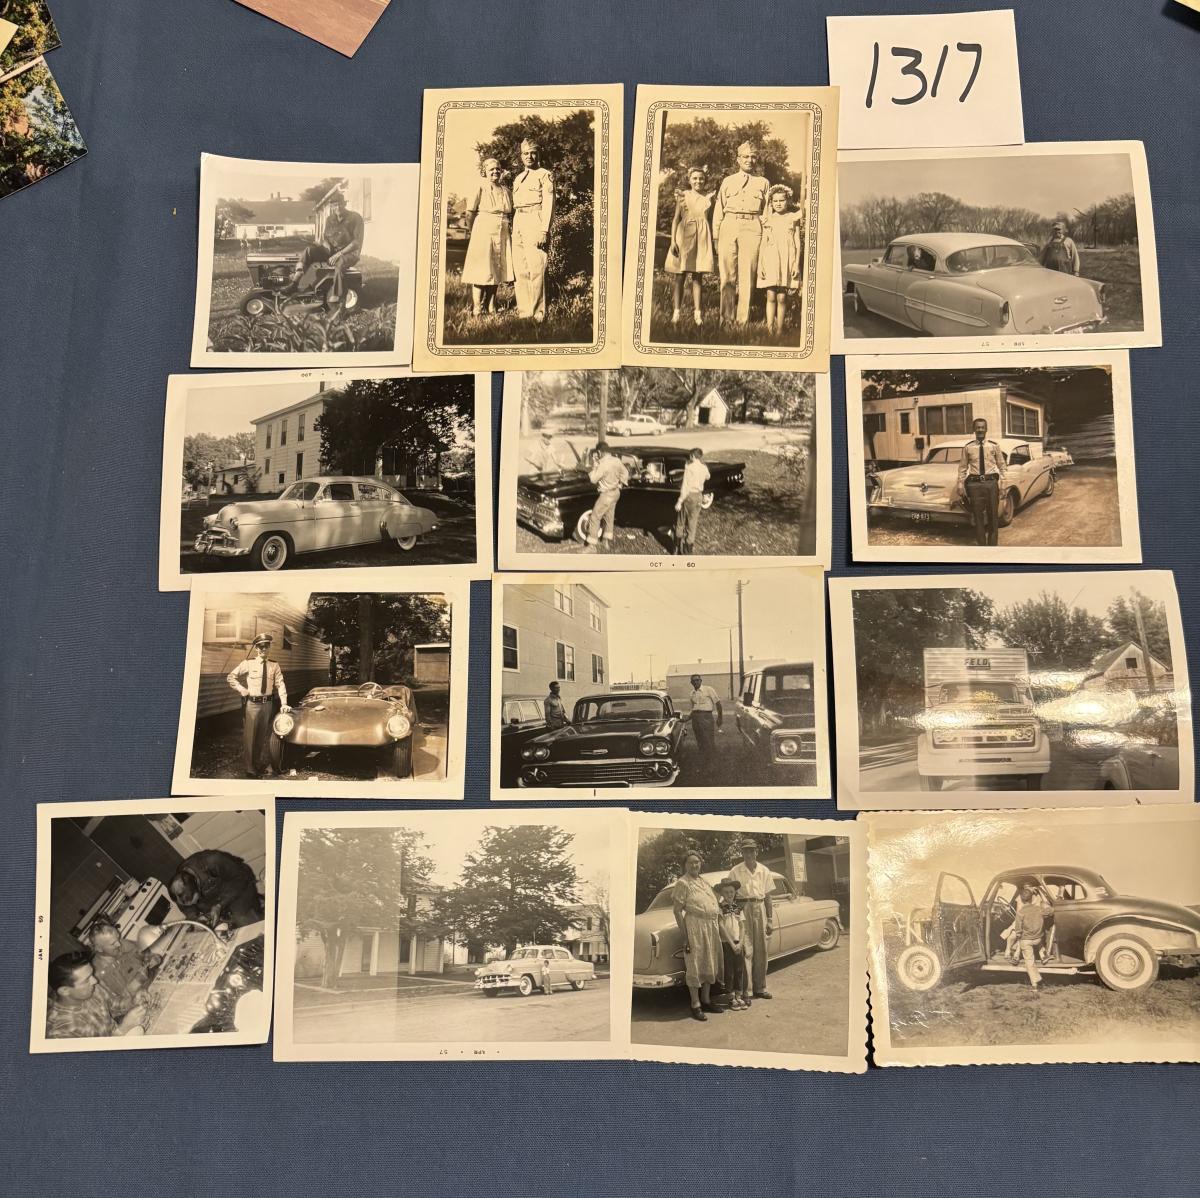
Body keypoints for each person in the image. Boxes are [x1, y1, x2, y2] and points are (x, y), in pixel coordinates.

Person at [711, 141, 769, 326]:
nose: (749, 160)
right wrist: (716, 235)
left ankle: (742, 321)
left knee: (748, 277)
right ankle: (726, 319)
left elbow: (766, 212)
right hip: (729, 224)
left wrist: (767, 236)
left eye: (753, 157)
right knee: (727, 275)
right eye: (745, 156)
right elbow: (718, 209)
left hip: (753, 227)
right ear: (738, 159)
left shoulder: (763, 182)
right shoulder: (728, 181)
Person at [283, 189, 364, 305]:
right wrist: (324, 246)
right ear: (332, 206)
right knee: (308, 251)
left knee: (340, 263)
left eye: (340, 204)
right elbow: (326, 237)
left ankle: (337, 297)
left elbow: (356, 242)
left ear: (345, 204)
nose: (338, 207)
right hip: (332, 251)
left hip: (350, 253)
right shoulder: (330, 219)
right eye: (335, 205)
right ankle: (294, 283)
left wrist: (338, 254)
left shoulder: (355, 218)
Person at [227, 632, 291, 778]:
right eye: (260, 646)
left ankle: (257, 764)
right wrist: (241, 689)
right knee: (250, 737)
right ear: (256, 648)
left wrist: (284, 703)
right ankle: (250, 769)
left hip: (267, 704)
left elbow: (280, 684)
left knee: (261, 736)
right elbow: (231, 677)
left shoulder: (274, 665)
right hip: (253, 705)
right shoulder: (248, 663)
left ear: (269, 647)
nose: (263, 649)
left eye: (266, 646)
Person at [45, 950, 147, 1040]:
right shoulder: (59, 1032)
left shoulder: (93, 989)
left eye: (92, 974)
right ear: (64, 991)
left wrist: (133, 1001)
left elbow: (115, 1005)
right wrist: (122, 1029)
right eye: (86, 980)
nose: (95, 981)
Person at [671, 851, 724, 1020]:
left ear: (701, 863)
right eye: (691, 862)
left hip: (710, 926)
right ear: (685, 865)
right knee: (694, 963)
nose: (694, 865)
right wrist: (685, 937)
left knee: (709, 961)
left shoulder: (704, 881)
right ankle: (695, 1004)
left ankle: (706, 1000)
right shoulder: (683, 883)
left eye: (697, 862)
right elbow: (677, 911)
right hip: (694, 926)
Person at [461, 156, 514, 317]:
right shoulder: (480, 187)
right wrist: (473, 233)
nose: (495, 171)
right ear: (484, 171)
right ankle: (477, 307)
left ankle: (491, 305)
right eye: (491, 169)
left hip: (502, 231)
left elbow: (510, 213)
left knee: (496, 268)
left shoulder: (506, 191)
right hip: (483, 230)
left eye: (498, 168)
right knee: (481, 269)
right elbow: (470, 213)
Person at [510, 139, 554, 321]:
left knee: (536, 268)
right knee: (520, 269)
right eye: (526, 153)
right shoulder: (518, 178)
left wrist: (544, 230)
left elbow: (549, 204)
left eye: (533, 153)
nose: (529, 156)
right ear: (521, 156)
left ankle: (538, 313)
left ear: (538, 155)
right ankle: (524, 311)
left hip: (535, 219)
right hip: (519, 220)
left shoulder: (545, 175)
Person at [87, 918, 167, 1019]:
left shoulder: (124, 944)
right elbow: (115, 1007)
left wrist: (154, 958)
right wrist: (134, 999)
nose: (119, 944)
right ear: (98, 948)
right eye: (112, 944)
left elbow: (145, 956)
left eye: (118, 938)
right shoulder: (97, 973)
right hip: (139, 1006)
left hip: (155, 983)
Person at [665, 167, 715, 327]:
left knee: (697, 275)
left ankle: (697, 314)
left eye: (701, 178)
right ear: (689, 180)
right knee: (680, 276)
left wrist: (712, 241)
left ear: (705, 180)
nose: (698, 181)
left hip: (701, 237)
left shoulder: (708, 198)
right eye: (695, 178)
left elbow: (709, 220)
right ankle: (676, 312)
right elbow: (675, 219)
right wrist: (673, 241)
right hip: (683, 236)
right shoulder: (683, 196)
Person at [728, 839, 775, 999]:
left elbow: (768, 897)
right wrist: (734, 916)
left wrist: (770, 919)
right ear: (742, 853)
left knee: (761, 949)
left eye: (751, 850)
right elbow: (730, 895)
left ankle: (760, 987)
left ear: (756, 852)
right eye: (746, 851)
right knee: (746, 949)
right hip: (743, 907)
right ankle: (747, 991)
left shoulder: (764, 870)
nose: (749, 854)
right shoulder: (735, 871)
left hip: (759, 907)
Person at [756, 183, 804, 335]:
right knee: (770, 294)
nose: (778, 203)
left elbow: (797, 242)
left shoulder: (793, 218)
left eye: (781, 200)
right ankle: (769, 329)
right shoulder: (767, 219)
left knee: (782, 297)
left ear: (788, 201)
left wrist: (796, 264)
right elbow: (763, 243)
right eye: (775, 201)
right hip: (770, 258)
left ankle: (779, 330)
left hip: (787, 259)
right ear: (771, 202)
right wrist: (760, 265)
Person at [956, 417, 1009, 547]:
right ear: (974, 429)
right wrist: (960, 484)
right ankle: (981, 546)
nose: (980, 430)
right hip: (974, 486)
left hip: (991, 484)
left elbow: (1002, 466)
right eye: (977, 427)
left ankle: (992, 546)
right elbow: (962, 468)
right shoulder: (968, 447)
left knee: (993, 517)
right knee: (978, 518)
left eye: (982, 427)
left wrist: (1003, 486)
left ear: (986, 429)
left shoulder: (994, 446)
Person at [1006, 881, 1049, 996]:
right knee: (1029, 947)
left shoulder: (1021, 912)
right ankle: (1042, 956)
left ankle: (1035, 985)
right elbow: (1050, 910)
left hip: (1027, 941)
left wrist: (1019, 937)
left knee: (1029, 962)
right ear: (1032, 898)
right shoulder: (1040, 908)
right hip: (1038, 939)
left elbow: (1018, 930)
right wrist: (1042, 895)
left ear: (1021, 899)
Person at [585, 442, 629, 550]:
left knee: (595, 517)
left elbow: (593, 479)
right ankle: (606, 542)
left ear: (600, 452)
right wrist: (620, 484)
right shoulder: (616, 460)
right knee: (609, 517)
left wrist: (592, 468)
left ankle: (592, 545)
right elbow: (625, 473)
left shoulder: (603, 464)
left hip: (606, 495)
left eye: (597, 453)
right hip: (616, 493)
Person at [715, 877, 750, 1010]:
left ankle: (739, 995)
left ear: (735, 893)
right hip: (727, 943)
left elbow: (742, 926)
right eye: (726, 892)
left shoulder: (738, 908)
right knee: (729, 971)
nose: (729, 894)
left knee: (739, 969)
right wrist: (731, 943)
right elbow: (721, 926)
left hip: (738, 943)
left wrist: (740, 943)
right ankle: (731, 997)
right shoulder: (720, 908)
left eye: (731, 892)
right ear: (722, 893)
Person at [673, 447, 710, 556]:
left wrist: (679, 501)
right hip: (699, 496)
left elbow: (685, 486)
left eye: (690, 456)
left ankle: (676, 549)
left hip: (689, 496)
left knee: (680, 522)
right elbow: (708, 477)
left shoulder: (689, 468)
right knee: (692, 524)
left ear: (692, 456)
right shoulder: (704, 467)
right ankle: (687, 551)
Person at [686, 673, 723, 760]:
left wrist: (720, 717)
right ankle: (703, 757)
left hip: (706, 717)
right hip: (695, 718)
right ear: (691, 683)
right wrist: (687, 718)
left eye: (697, 680)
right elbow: (693, 709)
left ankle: (711, 759)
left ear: (701, 681)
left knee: (708, 739)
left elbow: (718, 703)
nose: (695, 682)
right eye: (693, 681)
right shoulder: (692, 693)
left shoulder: (708, 689)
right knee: (699, 738)